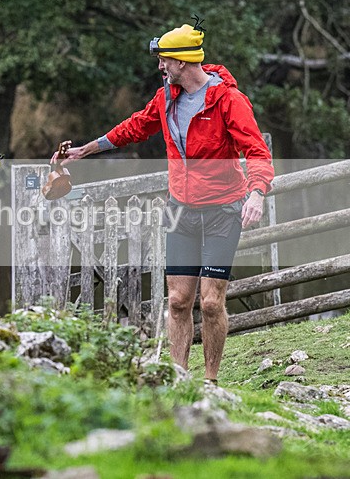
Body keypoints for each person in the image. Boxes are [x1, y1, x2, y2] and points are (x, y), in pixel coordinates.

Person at [53, 21, 274, 384]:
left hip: (223, 212)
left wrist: (257, 192)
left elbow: (257, 151)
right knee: (177, 301)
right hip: (181, 212)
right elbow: (135, 126)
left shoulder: (229, 101)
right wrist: (86, 149)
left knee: (213, 302)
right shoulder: (166, 98)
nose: (160, 67)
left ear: (183, 63)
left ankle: (211, 381)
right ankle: (178, 378)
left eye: (165, 61)